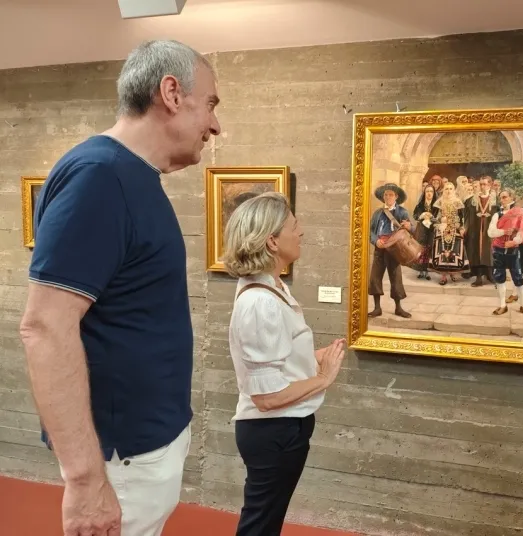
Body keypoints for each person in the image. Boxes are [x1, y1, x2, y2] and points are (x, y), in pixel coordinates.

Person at [19, 40, 221, 536]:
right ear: (171, 93)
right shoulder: (100, 176)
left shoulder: (132, 176)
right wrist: (86, 481)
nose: (215, 125)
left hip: (142, 446)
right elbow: (45, 327)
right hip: (119, 460)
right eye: (211, 105)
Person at [222, 192, 345, 536]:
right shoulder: (260, 302)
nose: (301, 231)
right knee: (260, 525)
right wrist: (323, 378)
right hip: (273, 431)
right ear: (272, 241)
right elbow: (267, 397)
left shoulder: (272, 287)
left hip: (284, 429)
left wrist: (313, 357)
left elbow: (276, 362)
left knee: (267, 522)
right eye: (294, 225)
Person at [367, 183, 412, 318]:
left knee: (396, 278)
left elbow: (412, 229)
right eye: (385, 195)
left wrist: (409, 226)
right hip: (380, 249)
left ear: (396, 196)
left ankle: (398, 308)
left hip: (395, 250)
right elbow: (370, 231)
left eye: (390, 194)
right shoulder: (377, 213)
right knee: (375, 278)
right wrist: (376, 241)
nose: (387, 197)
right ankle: (377, 308)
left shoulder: (402, 212)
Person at [488, 188, 523, 315]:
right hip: (498, 250)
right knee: (499, 277)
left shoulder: (520, 213)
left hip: (513, 251)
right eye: (501, 198)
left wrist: (514, 242)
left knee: (518, 277)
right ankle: (502, 305)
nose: (502, 200)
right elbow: (490, 232)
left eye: (505, 197)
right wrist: (503, 232)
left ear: (511, 198)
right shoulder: (497, 215)